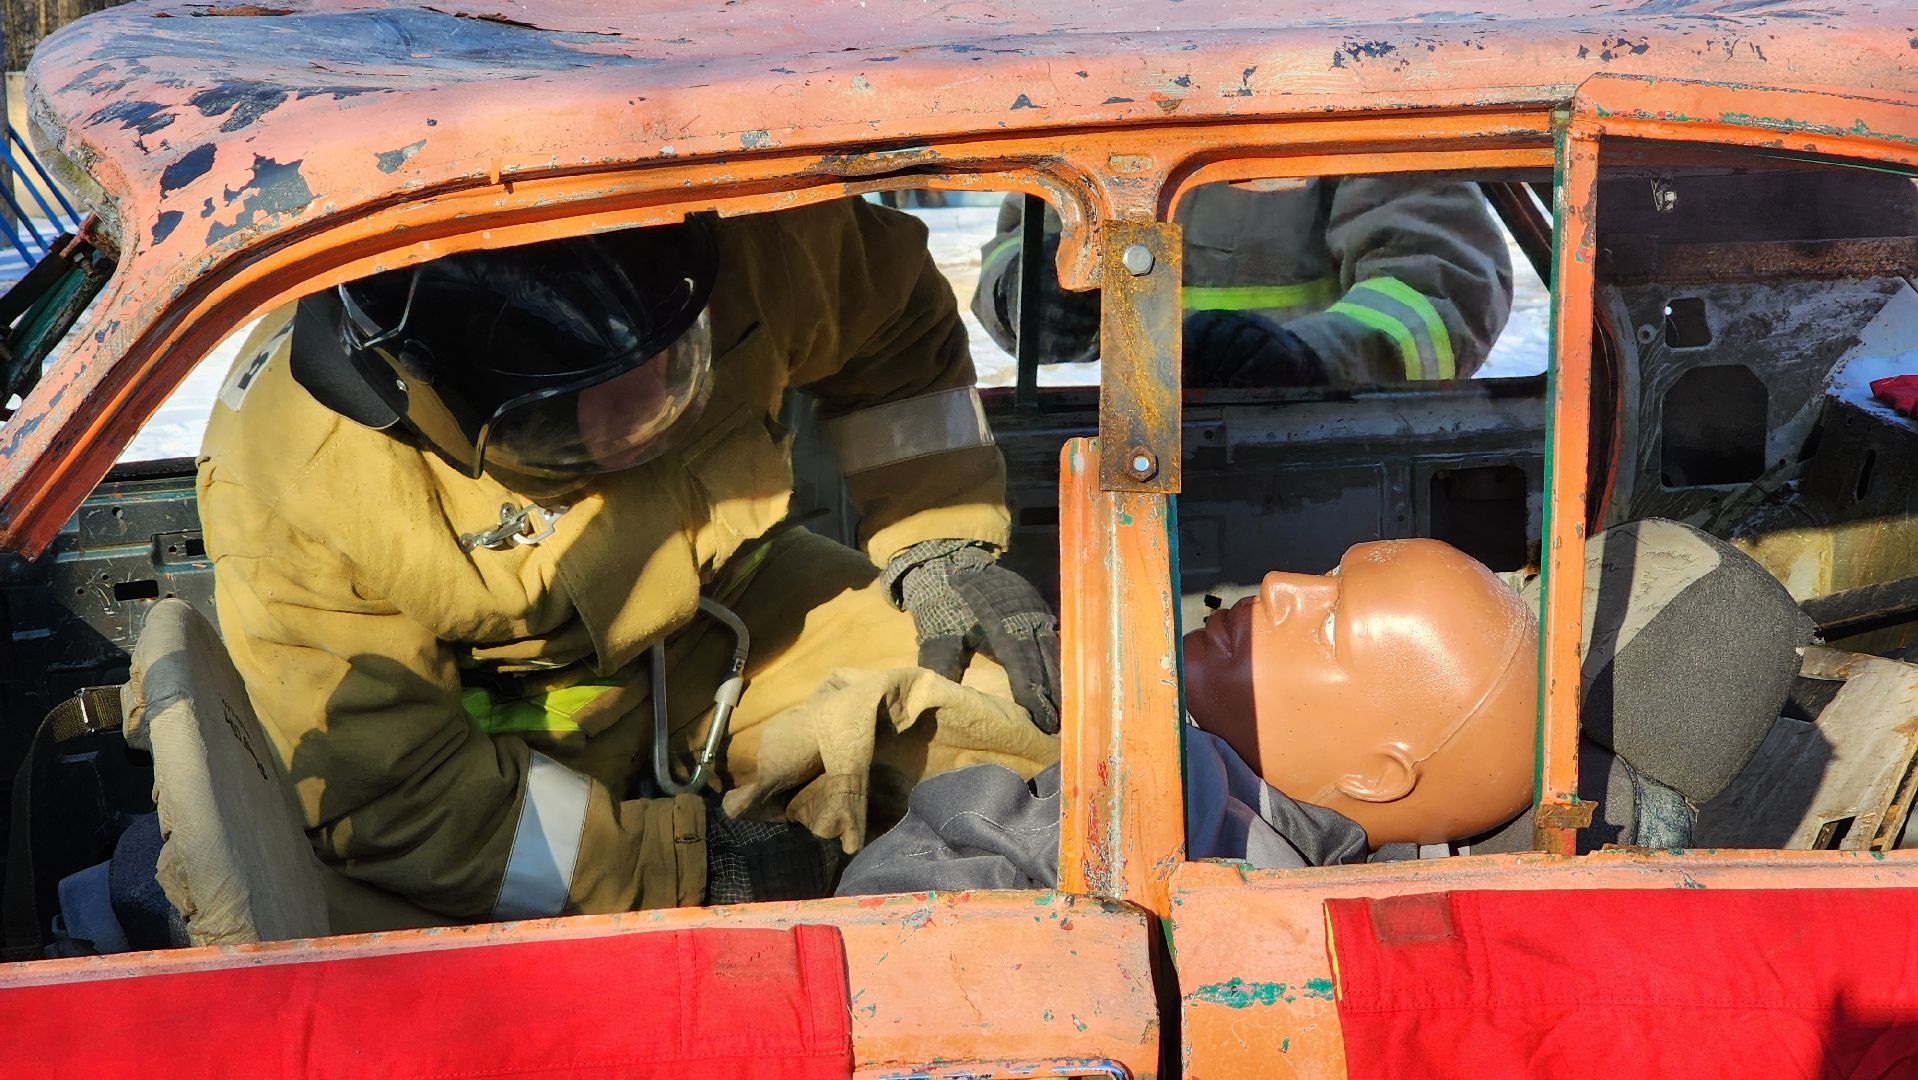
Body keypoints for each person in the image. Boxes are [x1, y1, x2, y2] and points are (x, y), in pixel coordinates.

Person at [196, 199, 1062, 923]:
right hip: (503, 746)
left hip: (738, 614)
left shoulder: (758, 246)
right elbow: (399, 803)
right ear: (423, 406)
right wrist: (698, 870)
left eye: (672, 371)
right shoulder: (294, 477)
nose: (642, 426)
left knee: (1031, 731)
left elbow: (895, 325)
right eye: (567, 422)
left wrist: (937, 537)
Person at [836, 521, 1813, 893]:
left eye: (1328, 623)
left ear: (1377, 776)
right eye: (1322, 578)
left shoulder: (1137, 827)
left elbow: (891, 939)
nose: (1274, 586)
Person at [970, 179, 1514, 386]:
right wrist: (1018, 293)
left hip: (1317, 447)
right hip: (1133, 448)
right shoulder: (1090, 72)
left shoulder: (1351, 63)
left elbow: (1444, 290)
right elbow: (1022, 233)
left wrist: (1310, 360)